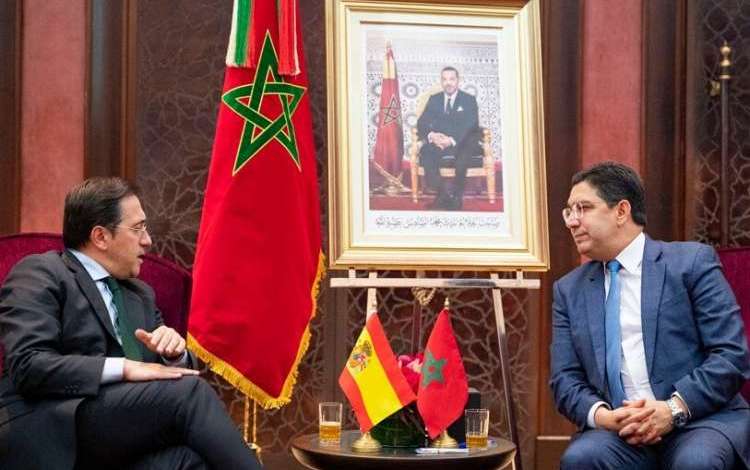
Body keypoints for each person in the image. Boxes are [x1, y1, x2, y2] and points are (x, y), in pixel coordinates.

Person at [0, 178, 262, 470]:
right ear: (101, 237)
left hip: (120, 432)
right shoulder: (41, 272)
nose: (147, 240)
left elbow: (160, 377)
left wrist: (173, 354)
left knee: (187, 461)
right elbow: (28, 365)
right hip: (56, 422)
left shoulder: (140, 294)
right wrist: (123, 367)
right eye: (138, 228)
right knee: (191, 392)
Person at [550, 162, 750, 469]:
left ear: (621, 211)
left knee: (696, 461)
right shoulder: (569, 290)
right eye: (569, 211)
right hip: (619, 430)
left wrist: (672, 410)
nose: (572, 221)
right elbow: (565, 379)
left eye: (583, 208)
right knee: (582, 458)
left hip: (700, 420)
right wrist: (605, 417)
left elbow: (730, 355)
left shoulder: (690, 263)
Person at [416, 66, 481, 210]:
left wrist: (450, 140)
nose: (448, 83)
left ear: (458, 81)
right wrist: (432, 136)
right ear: (441, 81)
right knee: (426, 151)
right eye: (444, 79)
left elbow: (470, 125)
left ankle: (457, 197)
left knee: (463, 156)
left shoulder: (468, 100)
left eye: (451, 79)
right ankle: (442, 195)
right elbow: (422, 123)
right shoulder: (435, 99)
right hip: (440, 141)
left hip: (462, 141)